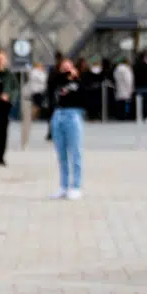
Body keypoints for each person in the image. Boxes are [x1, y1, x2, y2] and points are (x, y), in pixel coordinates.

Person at [49, 57, 86, 200]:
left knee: (75, 153)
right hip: (58, 115)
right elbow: (51, 85)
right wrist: (64, 75)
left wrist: (77, 78)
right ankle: (63, 186)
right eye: (63, 68)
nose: (66, 70)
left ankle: (76, 186)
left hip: (73, 115)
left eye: (69, 67)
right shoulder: (57, 81)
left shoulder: (79, 82)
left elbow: (84, 97)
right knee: (61, 154)